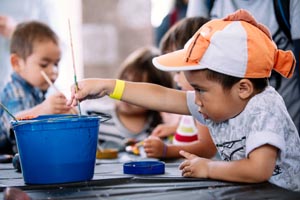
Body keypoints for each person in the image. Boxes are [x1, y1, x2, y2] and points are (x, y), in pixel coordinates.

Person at [67, 10, 300, 191]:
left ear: (243, 88)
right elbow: (161, 96)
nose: (195, 100)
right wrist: (110, 86)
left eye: (200, 90)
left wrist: (208, 167)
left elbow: (259, 169)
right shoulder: (221, 103)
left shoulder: (264, 107)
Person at [186, 0, 300, 133]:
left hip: (280, 125)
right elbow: (192, 61)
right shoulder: (205, 3)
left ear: (244, 88)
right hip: (226, 126)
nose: (196, 100)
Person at [143, 17, 217, 159]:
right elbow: (194, 130)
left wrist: (166, 150)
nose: (176, 79)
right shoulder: (192, 99)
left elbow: (207, 147)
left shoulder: (203, 104)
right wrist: (173, 129)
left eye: (178, 72)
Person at [0, 21, 75, 154]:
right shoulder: (15, 90)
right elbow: (14, 124)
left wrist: (64, 114)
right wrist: (44, 109)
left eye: (56, 64)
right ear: (17, 63)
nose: (53, 71)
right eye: (44, 64)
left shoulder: (37, 90)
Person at [87, 46, 174, 151]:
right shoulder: (93, 116)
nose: (126, 95)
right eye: (124, 81)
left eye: (137, 88)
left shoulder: (163, 126)